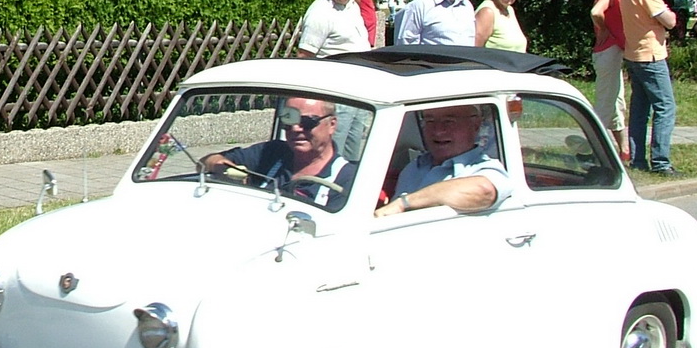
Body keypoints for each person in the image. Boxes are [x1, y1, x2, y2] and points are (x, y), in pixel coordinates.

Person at [201, 96, 355, 210]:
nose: (296, 129)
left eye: (307, 122)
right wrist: (225, 170)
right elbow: (206, 161)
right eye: (288, 121)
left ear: (332, 125)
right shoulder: (271, 152)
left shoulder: (347, 179)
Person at [375, 103, 511, 216]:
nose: (438, 131)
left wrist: (403, 203)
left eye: (449, 121)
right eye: (430, 121)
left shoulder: (483, 169)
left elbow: (484, 191)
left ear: (475, 125)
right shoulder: (414, 167)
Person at [621, 0, 680, 175]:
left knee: (639, 108)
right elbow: (669, 20)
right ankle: (661, 161)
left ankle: (637, 159)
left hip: (633, 52)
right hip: (651, 54)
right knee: (665, 107)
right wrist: (669, 16)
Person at [590, 0, 631, 161]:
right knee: (606, 102)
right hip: (608, 51)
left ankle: (623, 150)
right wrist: (605, 29)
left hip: (614, 52)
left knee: (617, 102)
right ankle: (591, 147)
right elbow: (596, 12)